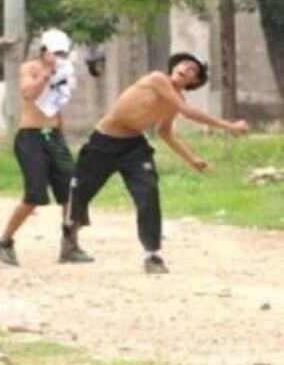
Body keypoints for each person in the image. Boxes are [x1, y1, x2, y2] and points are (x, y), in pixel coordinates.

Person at [66, 52, 249, 273]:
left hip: (134, 147)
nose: (186, 68)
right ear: (174, 67)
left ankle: (152, 254)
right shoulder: (157, 79)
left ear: (195, 81)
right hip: (103, 142)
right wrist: (230, 126)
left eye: (193, 69)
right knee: (81, 192)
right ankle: (69, 241)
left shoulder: (174, 101)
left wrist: (191, 158)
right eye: (184, 64)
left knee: (148, 193)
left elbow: (165, 131)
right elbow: (188, 113)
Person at [0, 28, 92, 266]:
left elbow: (57, 106)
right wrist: (45, 75)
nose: (58, 57)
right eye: (55, 52)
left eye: (62, 53)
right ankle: (4, 241)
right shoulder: (30, 68)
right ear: (44, 51)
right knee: (34, 194)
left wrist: (60, 134)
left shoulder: (64, 70)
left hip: (53, 137)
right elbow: (28, 94)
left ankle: (70, 246)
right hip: (31, 137)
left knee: (71, 191)